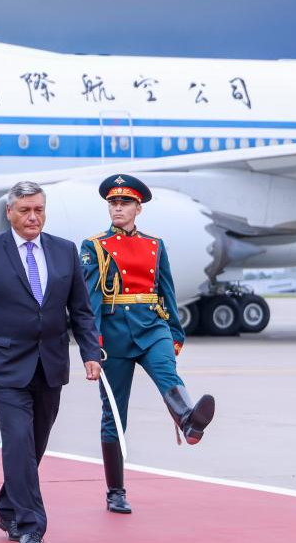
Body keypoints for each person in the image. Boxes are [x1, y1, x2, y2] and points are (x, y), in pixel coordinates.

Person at [0, 181, 102, 543]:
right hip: (3, 365)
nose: (33, 217)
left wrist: (90, 353)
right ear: (10, 212)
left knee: (35, 442)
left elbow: (80, 310)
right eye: (25, 210)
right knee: (18, 439)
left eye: (38, 210)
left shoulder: (64, 251)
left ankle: (9, 508)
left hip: (50, 364)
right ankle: (32, 524)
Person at [80, 174, 215, 514]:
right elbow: (91, 300)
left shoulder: (155, 245)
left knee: (167, 374)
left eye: (125, 203)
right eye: (113, 202)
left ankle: (188, 419)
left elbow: (166, 292)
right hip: (113, 335)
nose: (118, 208)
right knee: (114, 416)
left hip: (152, 325)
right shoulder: (94, 246)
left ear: (138, 208)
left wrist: (175, 335)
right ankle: (116, 491)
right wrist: (91, 345)